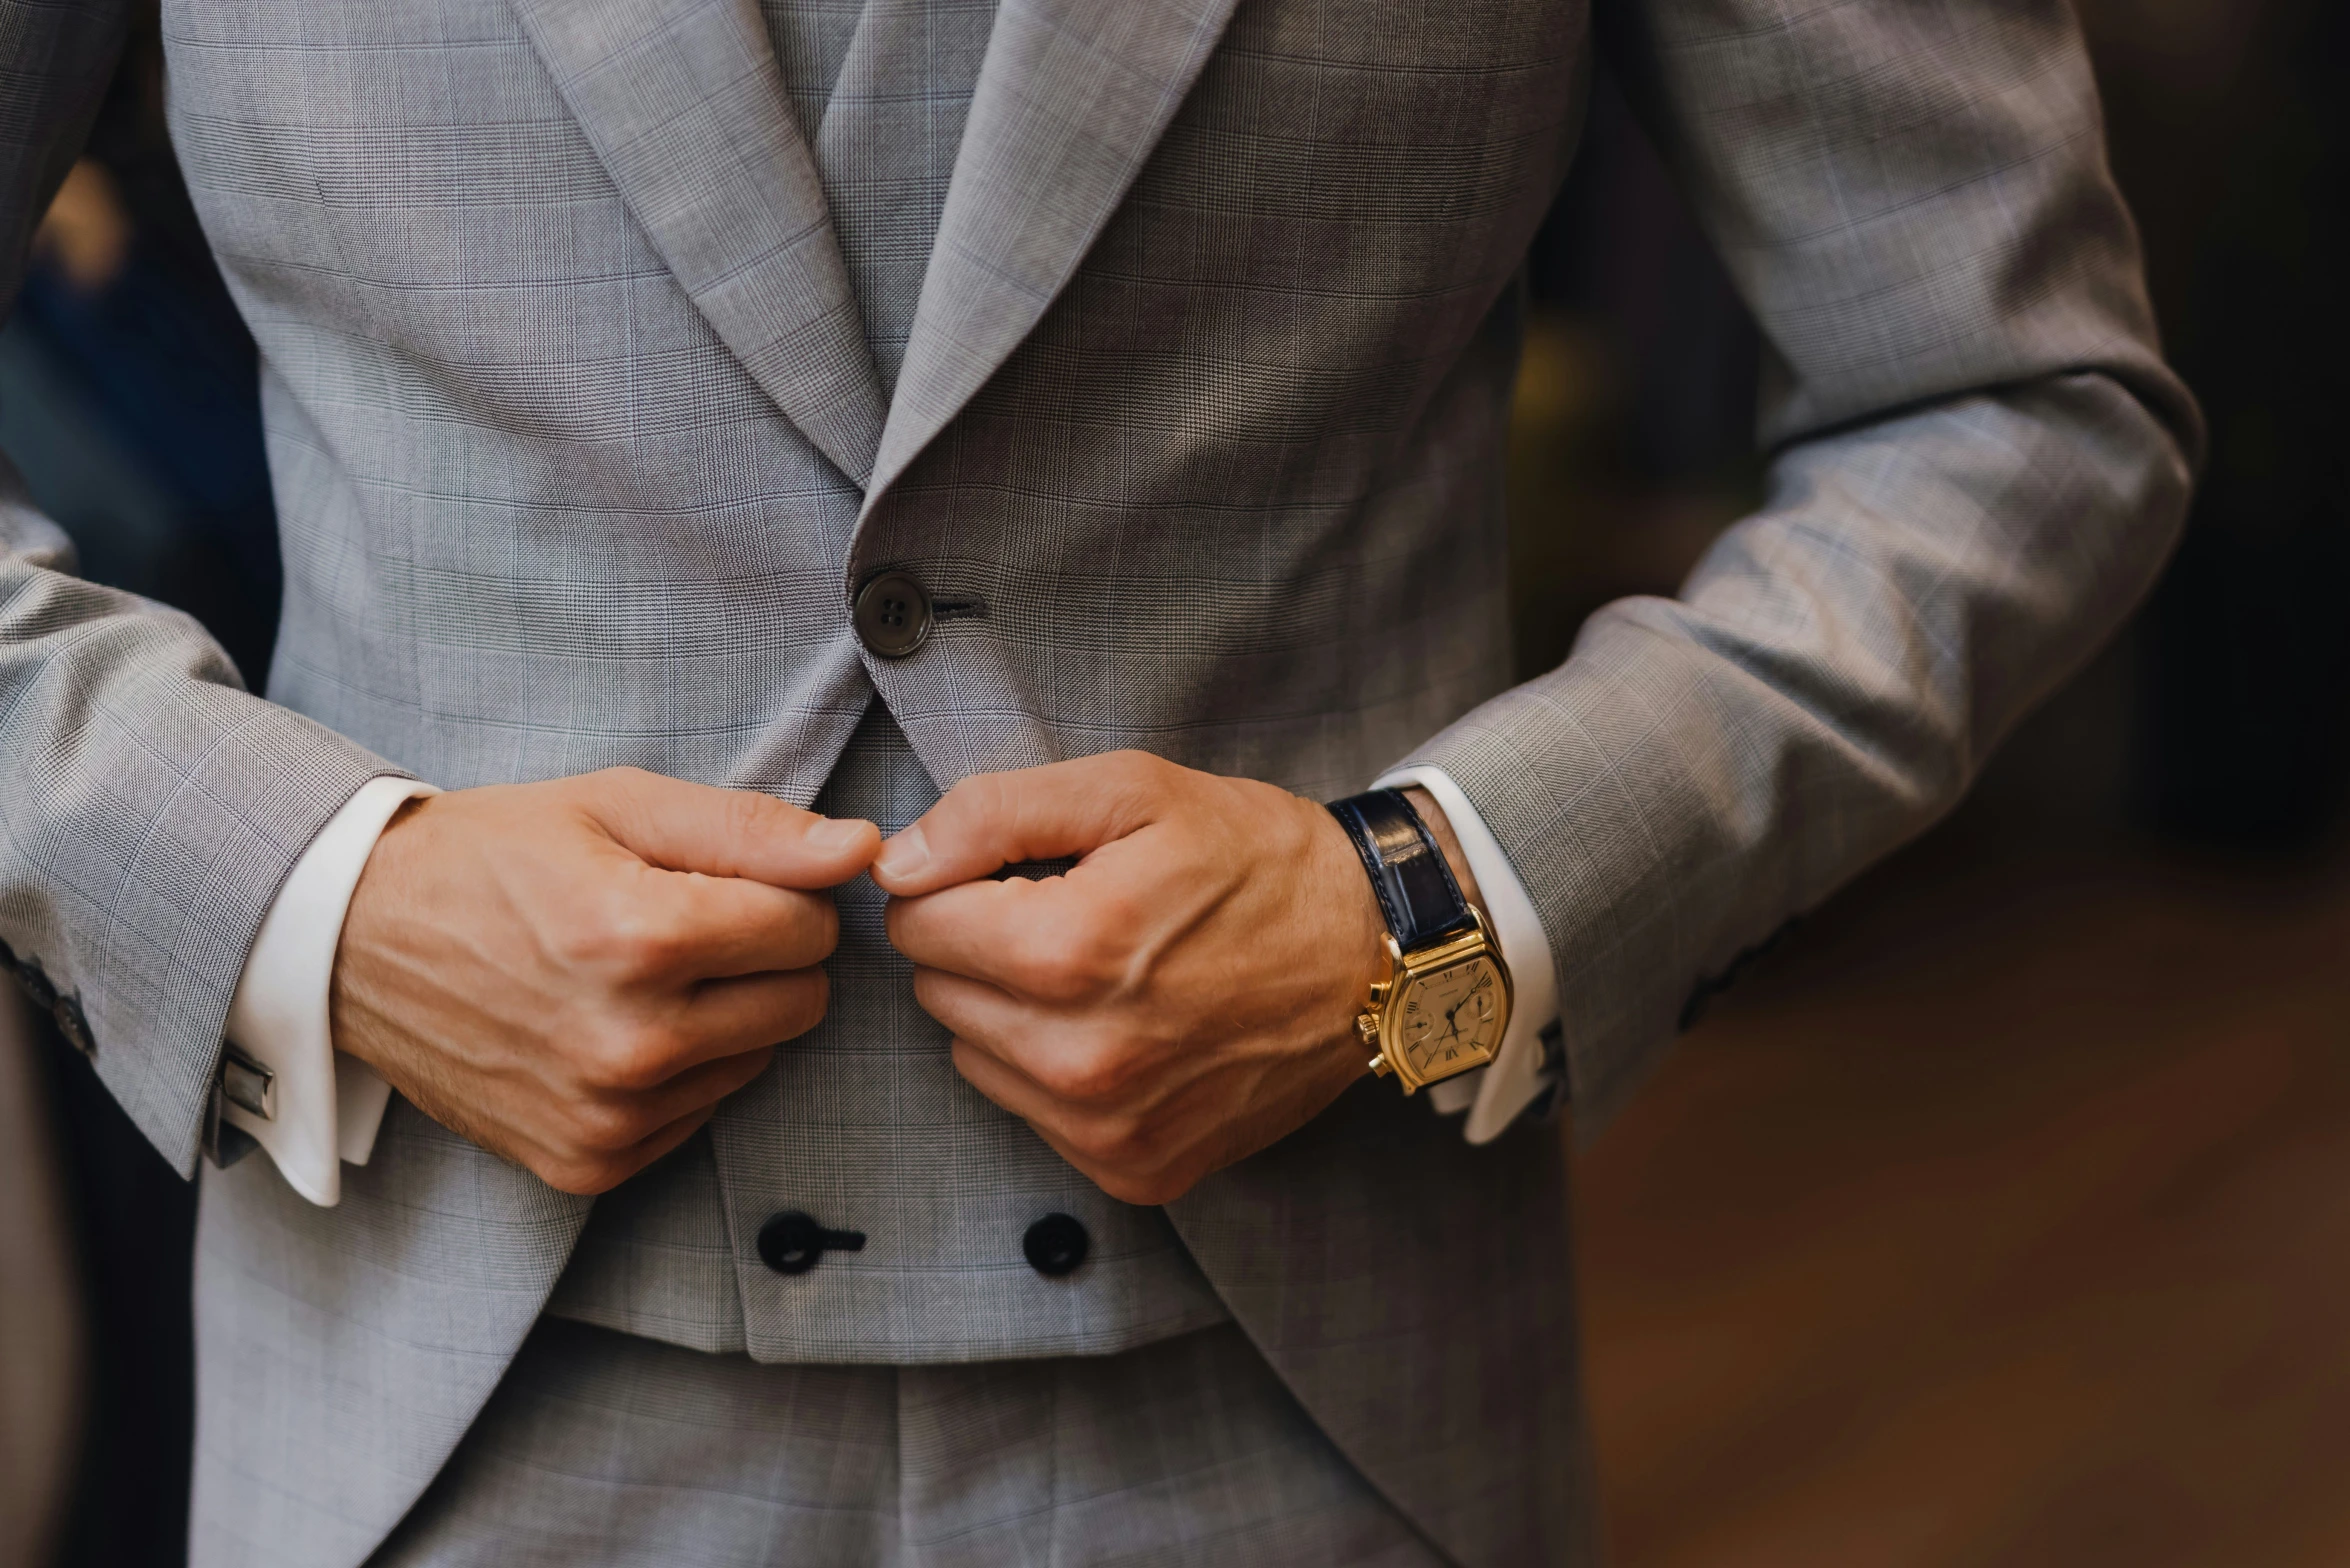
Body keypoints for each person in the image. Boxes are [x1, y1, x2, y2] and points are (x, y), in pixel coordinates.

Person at [0, 0, 2198, 1561]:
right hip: (433, 1425)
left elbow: (2015, 410)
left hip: (1321, 1414)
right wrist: (319, 901)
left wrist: (1421, 914)